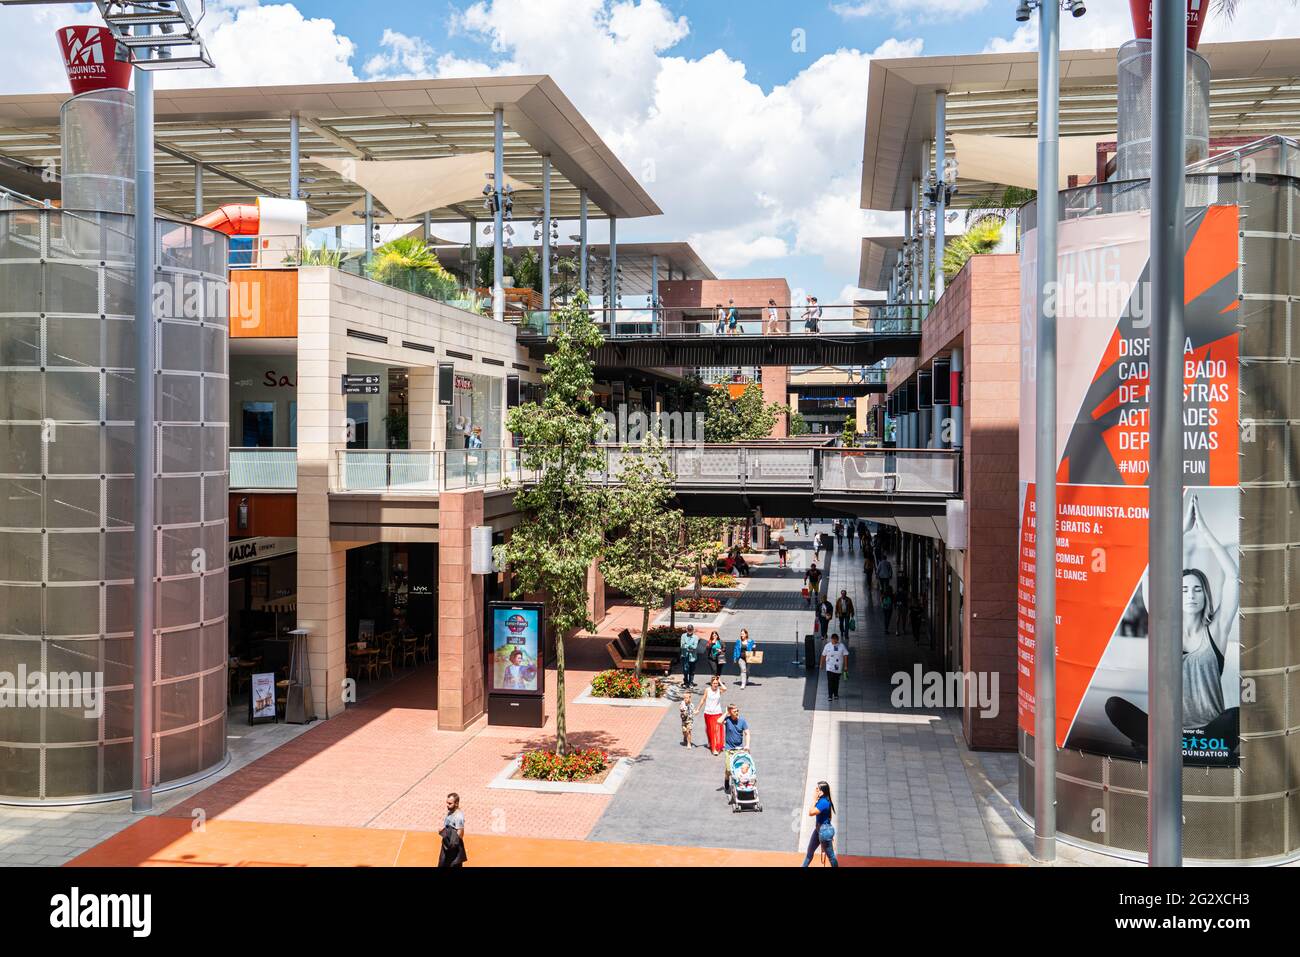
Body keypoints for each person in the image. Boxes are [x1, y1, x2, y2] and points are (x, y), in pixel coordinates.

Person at [1104, 493, 1240, 756]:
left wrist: (1203, 531)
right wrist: (1181, 532)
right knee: (1114, 706)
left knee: (1234, 716)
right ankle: (1176, 746)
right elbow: (1147, 572)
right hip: (1168, 729)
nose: (1191, 594)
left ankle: (1169, 749)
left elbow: (1233, 576)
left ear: (1205, 595)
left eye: (1197, 589)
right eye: (1184, 589)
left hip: (1207, 732)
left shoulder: (1216, 631)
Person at [801, 781, 839, 867]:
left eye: (817, 789)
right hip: (820, 830)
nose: (815, 790)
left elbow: (811, 813)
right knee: (810, 852)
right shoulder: (823, 800)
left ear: (822, 791)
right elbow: (829, 817)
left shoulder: (823, 802)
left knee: (831, 856)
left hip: (824, 831)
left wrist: (814, 800)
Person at [721, 702, 751, 792]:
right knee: (729, 769)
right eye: (735, 711)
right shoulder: (727, 720)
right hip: (729, 748)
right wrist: (726, 713)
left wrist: (747, 745)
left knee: (739, 768)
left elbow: (747, 733)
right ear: (730, 712)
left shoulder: (742, 721)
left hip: (739, 748)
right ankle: (726, 778)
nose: (737, 712)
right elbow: (718, 722)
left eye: (737, 710)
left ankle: (738, 784)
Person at [694, 675, 728, 755]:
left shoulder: (719, 690)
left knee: (715, 730)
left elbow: (725, 688)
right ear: (711, 684)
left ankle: (714, 748)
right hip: (708, 713)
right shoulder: (707, 690)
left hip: (717, 713)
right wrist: (698, 709)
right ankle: (710, 742)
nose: (715, 685)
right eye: (714, 683)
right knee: (709, 729)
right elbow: (703, 700)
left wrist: (720, 681)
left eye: (716, 683)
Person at [438, 792, 467, 867]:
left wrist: (452, 844)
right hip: (447, 844)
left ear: (456, 803)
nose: (447, 805)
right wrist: (443, 831)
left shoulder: (458, 817)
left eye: (450, 803)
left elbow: (460, 835)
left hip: (453, 847)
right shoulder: (451, 812)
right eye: (447, 803)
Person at [820, 632, 848, 702]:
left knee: (836, 681)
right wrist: (821, 664)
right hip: (829, 666)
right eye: (833, 640)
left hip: (838, 667)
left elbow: (845, 655)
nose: (834, 641)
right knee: (830, 681)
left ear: (837, 639)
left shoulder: (841, 646)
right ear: (831, 639)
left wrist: (845, 666)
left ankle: (835, 694)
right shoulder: (827, 646)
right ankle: (830, 695)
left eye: (836, 640)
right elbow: (823, 655)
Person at [679, 624, 699, 688]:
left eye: (691, 629)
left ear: (693, 630)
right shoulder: (683, 636)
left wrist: (687, 645)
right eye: (688, 629)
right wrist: (690, 646)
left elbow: (695, 647)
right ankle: (686, 682)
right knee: (685, 670)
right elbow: (682, 646)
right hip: (685, 656)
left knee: (692, 670)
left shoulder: (696, 637)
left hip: (693, 657)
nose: (689, 631)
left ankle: (690, 682)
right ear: (686, 629)